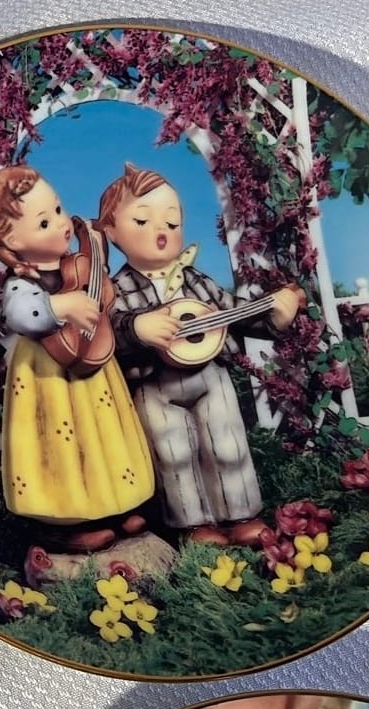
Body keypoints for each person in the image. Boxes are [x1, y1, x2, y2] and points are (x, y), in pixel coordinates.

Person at [97, 163, 304, 546]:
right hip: (153, 385)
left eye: (172, 223)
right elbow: (104, 329)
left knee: (226, 443)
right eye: (142, 221)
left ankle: (240, 514)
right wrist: (137, 328)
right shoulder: (116, 289)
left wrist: (275, 314)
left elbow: (235, 314)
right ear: (111, 231)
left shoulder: (197, 282)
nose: (161, 231)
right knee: (173, 452)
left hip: (210, 377)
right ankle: (192, 525)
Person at [0, 165, 153, 552]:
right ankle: (66, 523)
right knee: (60, 445)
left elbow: (100, 296)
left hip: (93, 366)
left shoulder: (74, 262)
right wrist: (59, 306)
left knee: (104, 433)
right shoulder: (22, 281)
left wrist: (97, 279)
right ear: (11, 240)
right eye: (43, 222)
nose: (60, 223)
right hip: (47, 373)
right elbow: (21, 314)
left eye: (57, 210)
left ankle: (116, 506)